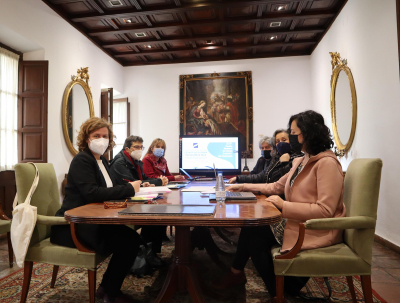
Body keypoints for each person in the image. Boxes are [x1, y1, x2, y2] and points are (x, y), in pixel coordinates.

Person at [218, 110, 346, 299]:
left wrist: (282, 206)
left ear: (309, 133)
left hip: (315, 228)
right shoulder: (302, 161)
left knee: (254, 233)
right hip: (299, 221)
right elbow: (276, 186)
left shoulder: (326, 163)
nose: (290, 138)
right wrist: (242, 186)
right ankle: (264, 282)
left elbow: (325, 210)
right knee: (252, 229)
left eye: (294, 133)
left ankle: (279, 291)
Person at [50, 117, 142, 303]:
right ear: (87, 139)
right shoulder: (82, 160)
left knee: (132, 238)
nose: (101, 139)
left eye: (105, 136)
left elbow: (111, 189)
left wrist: (135, 192)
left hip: (95, 221)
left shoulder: (102, 161)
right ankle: (110, 293)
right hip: (75, 226)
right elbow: (92, 193)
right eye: (96, 135)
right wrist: (130, 189)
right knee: (129, 242)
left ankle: (106, 289)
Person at [109, 135, 168, 258]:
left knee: (161, 210)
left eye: (141, 147)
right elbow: (129, 183)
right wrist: (155, 182)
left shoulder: (136, 161)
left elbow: (144, 179)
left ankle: (152, 252)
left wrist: (150, 182)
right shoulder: (120, 162)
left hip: (135, 197)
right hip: (123, 200)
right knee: (156, 213)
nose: (139, 150)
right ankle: (145, 253)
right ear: (127, 148)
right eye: (136, 147)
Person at [228, 129, 303, 184]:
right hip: (271, 195)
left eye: (284, 140)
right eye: (277, 141)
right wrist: (238, 179)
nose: (281, 143)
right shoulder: (276, 159)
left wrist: (285, 163)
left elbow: (288, 182)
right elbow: (262, 176)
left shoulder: (299, 158)